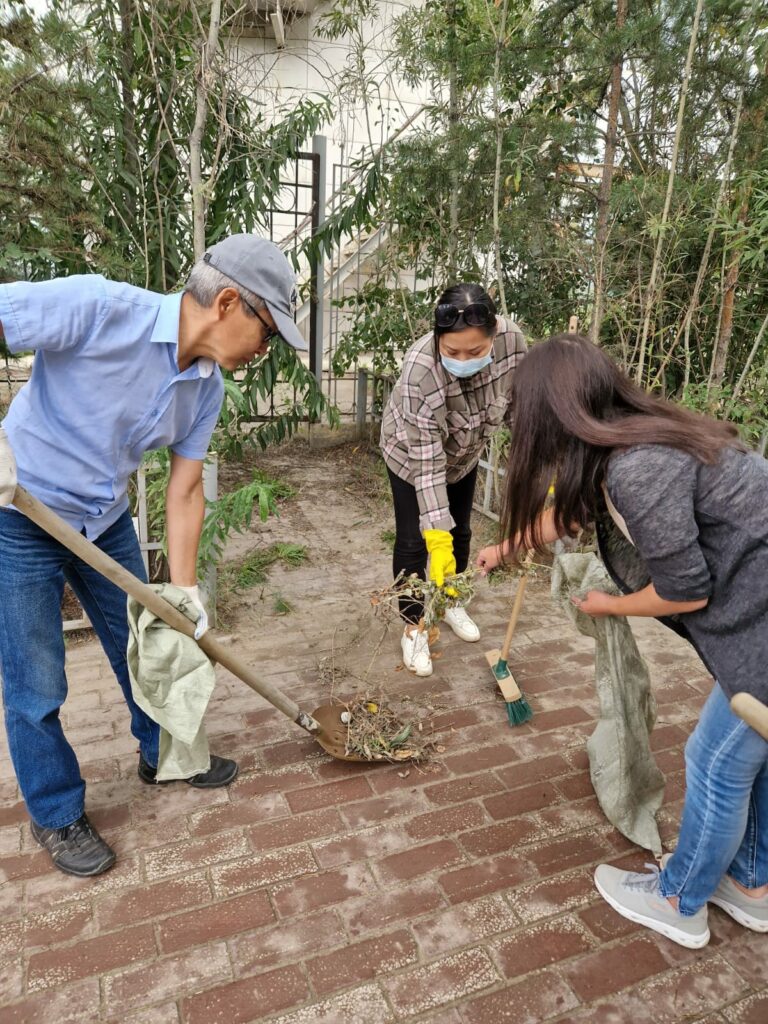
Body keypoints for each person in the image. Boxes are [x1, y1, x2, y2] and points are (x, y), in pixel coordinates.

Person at [0, 234, 307, 877]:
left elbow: (185, 488)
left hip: (103, 521)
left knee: (147, 642)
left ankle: (162, 753)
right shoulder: (100, 308)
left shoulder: (206, 390)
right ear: (229, 303)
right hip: (19, 511)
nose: (264, 352)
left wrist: (184, 595)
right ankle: (56, 812)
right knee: (36, 680)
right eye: (269, 334)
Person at [476, 332, 768, 948]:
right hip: (755, 609)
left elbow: (686, 590)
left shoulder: (640, 466)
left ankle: (678, 898)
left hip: (761, 619)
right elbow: (574, 512)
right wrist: (506, 546)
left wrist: (611, 603)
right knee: (753, 752)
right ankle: (749, 883)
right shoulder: (621, 441)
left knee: (713, 763)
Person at [381, 284, 527, 676]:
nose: (463, 359)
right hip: (412, 458)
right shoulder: (419, 371)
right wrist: (435, 536)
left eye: (476, 351)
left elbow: (519, 412)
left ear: (494, 333)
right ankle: (414, 628)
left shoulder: (513, 342)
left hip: (464, 455)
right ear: (437, 339)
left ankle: (449, 601)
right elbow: (427, 465)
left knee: (460, 530)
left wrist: (536, 464)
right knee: (416, 541)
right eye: (452, 352)